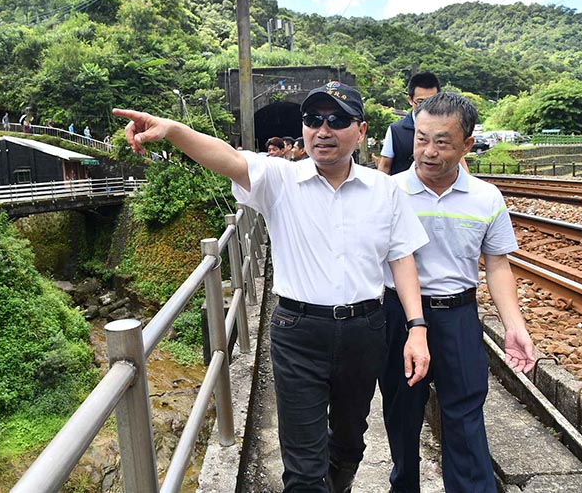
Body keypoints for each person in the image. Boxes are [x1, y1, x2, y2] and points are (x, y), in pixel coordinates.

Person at [114, 80, 431, 493]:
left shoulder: (385, 190)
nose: (323, 130)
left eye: (337, 120)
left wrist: (417, 327)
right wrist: (174, 130)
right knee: (302, 467)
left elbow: (401, 257)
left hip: (365, 330)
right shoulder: (280, 179)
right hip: (298, 332)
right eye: (313, 120)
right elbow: (227, 157)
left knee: (350, 444)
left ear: (361, 130)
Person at [379, 92, 536, 493]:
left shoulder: (486, 198)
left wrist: (514, 325)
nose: (428, 152)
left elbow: (498, 265)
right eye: (421, 139)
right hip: (397, 317)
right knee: (401, 414)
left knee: (465, 415)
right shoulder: (388, 192)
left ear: (467, 144)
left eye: (442, 142)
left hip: (458, 316)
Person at [378, 72, 441, 175]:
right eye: (420, 101)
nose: (426, 107)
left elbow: (459, 162)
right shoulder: (396, 130)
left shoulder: (446, 128)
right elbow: (385, 166)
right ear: (410, 100)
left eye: (432, 101)